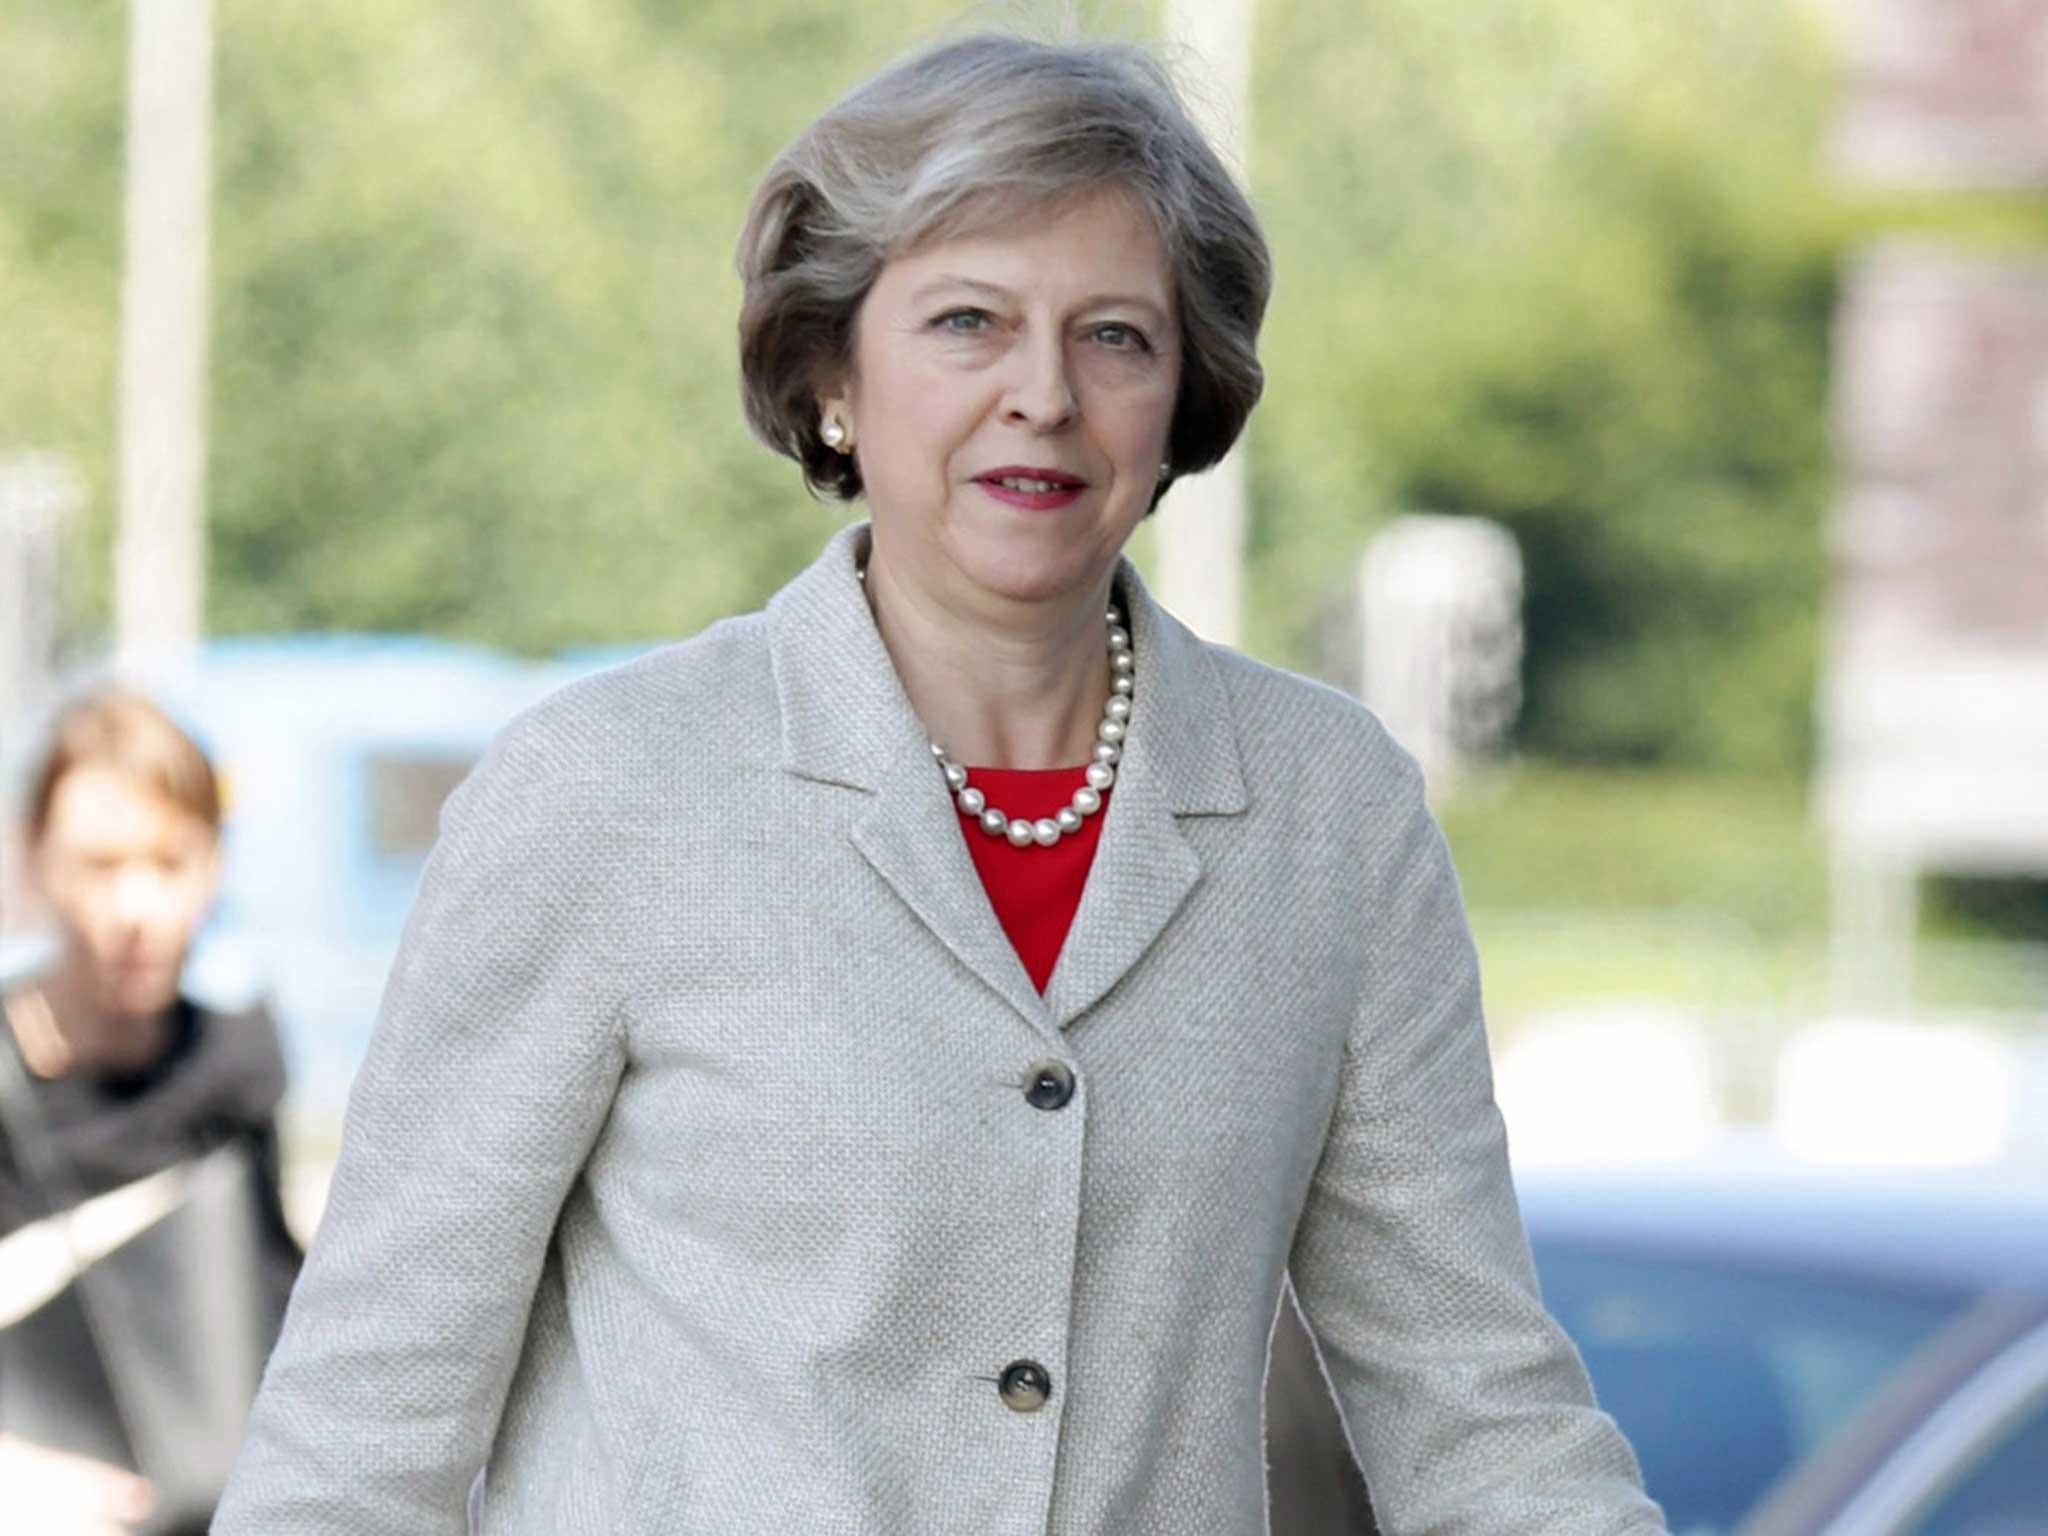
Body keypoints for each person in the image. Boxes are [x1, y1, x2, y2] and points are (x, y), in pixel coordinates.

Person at [215, 32, 1667, 1534]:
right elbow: (357, 1441)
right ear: (834, 373)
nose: (1042, 394)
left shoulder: (1329, 813)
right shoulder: (605, 793)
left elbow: (1482, 1416)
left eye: (1114, 336)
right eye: (968, 322)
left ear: (1181, 399)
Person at [1, 687, 301, 1535]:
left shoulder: (239, 1063)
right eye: (101, 864)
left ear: (215, 864)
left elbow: (279, 1308)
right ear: (35, 863)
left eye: (170, 861)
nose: (137, 908)